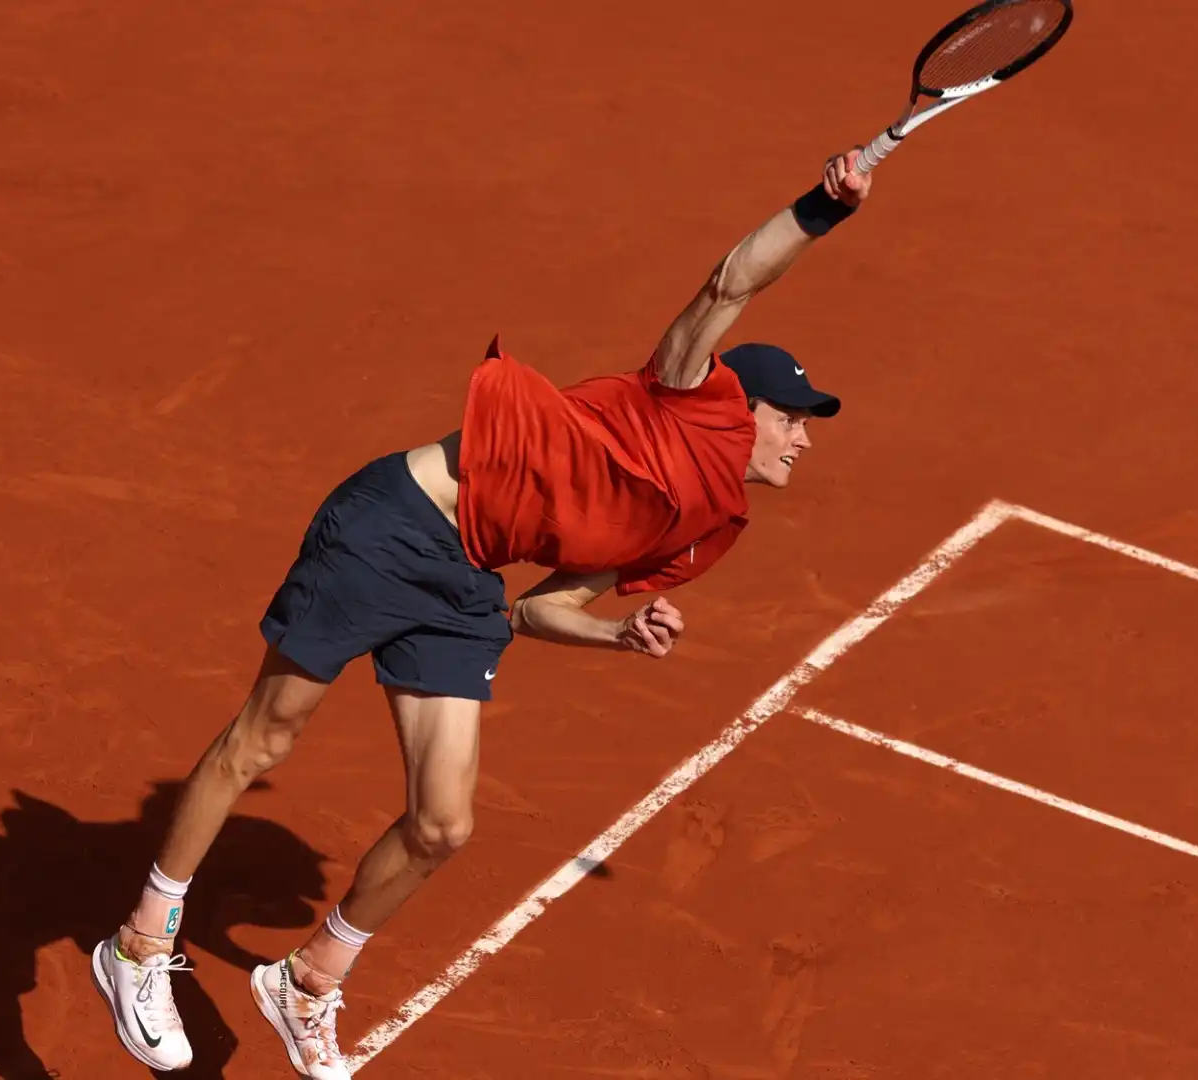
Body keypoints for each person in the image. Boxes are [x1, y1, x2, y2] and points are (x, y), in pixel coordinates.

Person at [89, 146, 872, 1078]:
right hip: (396, 523)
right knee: (267, 736)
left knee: (444, 825)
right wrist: (821, 210)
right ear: (746, 408)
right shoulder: (686, 395)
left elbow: (540, 613)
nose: (804, 437)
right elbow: (731, 281)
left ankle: (308, 979)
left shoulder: (709, 528)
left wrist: (619, 632)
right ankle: (139, 942)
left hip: (468, 578)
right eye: (795, 416)